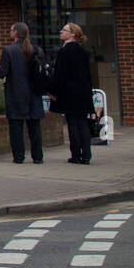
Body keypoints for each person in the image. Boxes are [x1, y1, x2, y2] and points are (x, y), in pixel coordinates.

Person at [0, 22, 46, 164]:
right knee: (34, 127)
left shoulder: (9, 50)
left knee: (16, 127)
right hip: (34, 93)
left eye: (11, 30)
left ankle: (18, 157)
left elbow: (3, 72)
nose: (10, 32)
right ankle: (38, 157)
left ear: (15, 33)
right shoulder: (36, 50)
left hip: (16, 93)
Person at [49, 22, 94, 164]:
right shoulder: (83, 52)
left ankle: (75, 155)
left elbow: (60, 75)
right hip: (83, 91)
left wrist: (53, 91)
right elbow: (88, 74)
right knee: (83, 123)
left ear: (73, 34)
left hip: (70, 93)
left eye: (64, 30)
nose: (61, 31)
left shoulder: (64, 51)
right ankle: (86, 155)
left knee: (73, 123)